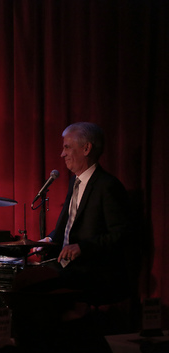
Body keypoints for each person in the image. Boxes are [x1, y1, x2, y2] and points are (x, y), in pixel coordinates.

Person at [43, 122, 132, 306]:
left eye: (67, 147)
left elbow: (121, 235)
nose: (62, 154)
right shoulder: (74, 182)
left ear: (86, 148)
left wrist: (83, 247)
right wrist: (49, 240)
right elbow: (68, 226)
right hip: (69, 267)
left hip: (93, 272)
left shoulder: (107, 186)